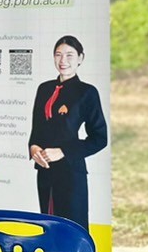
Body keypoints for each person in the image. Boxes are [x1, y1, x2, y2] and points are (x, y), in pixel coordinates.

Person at [28, 35, 108, 229]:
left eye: (69, 55)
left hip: (71, 173)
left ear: (80, 58)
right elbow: (36, 129)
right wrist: (34, 148)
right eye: (58, 55)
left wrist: (63, 151)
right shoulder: (44, 89)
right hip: (45, 171)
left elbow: (100, 138)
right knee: (47, 225)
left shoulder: (87, 92)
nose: (63, 60)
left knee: (72, 228)